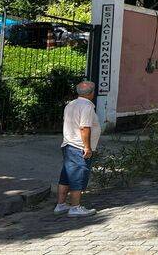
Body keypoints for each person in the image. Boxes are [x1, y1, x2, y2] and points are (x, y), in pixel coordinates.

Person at [54, 80, 101, 218]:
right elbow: (84, 127)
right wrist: (87, 147)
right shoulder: (87, 106)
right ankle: (75, 207)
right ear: (92, 93)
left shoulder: (71, 104)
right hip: (79, 146)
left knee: (66, 175)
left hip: (68, 144)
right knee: (78, 175)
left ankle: (60, 204)